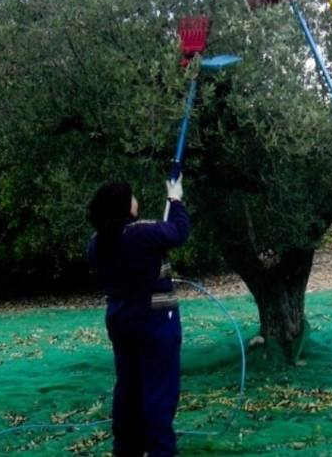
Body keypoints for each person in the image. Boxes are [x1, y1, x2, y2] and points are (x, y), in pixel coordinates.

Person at [87, 176, 190, 457]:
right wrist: (175, 198)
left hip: (121, 321)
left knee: (128, 390)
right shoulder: (143, 233)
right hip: (156, 319)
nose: (136, 202)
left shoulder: (97, 242)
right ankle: (160, 451)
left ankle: (126, 450)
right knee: (159, 392)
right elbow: (179, 231)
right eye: (131, 198)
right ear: (124, 207)